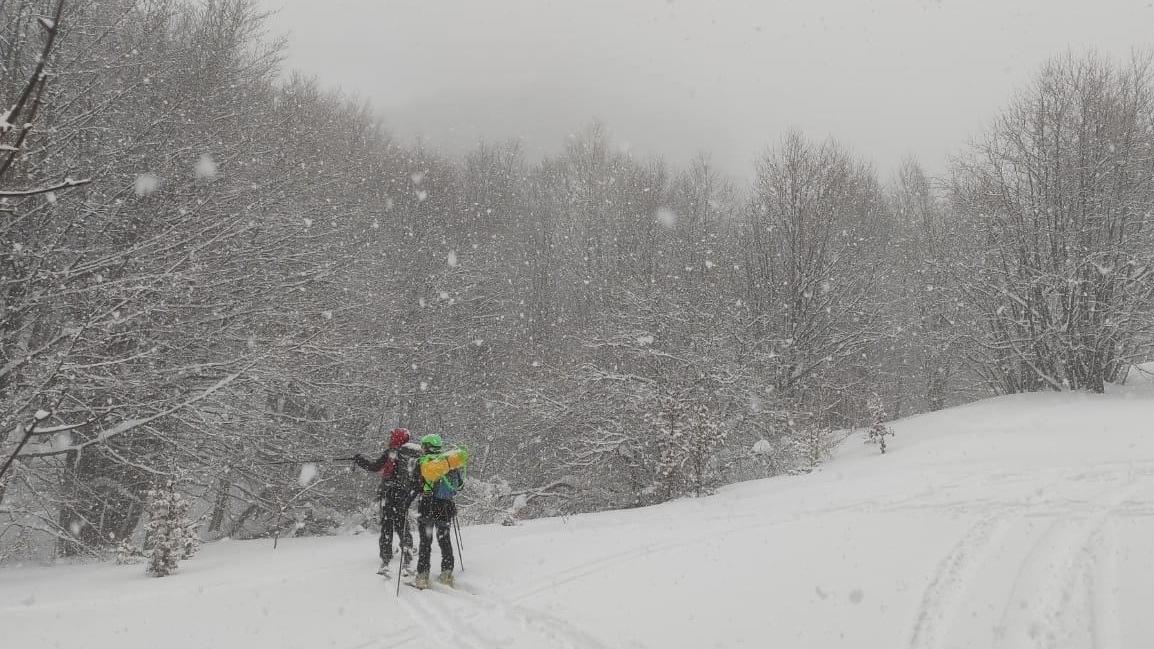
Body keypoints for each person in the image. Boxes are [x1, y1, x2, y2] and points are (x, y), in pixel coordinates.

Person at [353, 428, 422, 576]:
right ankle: (408, 554)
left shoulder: (391, 453)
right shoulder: (414, 454)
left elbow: (374, 467)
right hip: (404, 495)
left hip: (388, 494)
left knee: (387, 526)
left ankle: (385, 558)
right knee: (402, 523)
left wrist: (359, 460)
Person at [411, 433, 466, 589]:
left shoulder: (423, 462)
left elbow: (415, 485)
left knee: (425, 542)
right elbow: (460, 486)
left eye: (423, 446)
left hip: (427, 506)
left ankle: (422, 576)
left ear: (427, 447)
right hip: (445, 507)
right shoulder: (450, 461)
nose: (421, 449)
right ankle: (447, 574)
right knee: (444, 540)